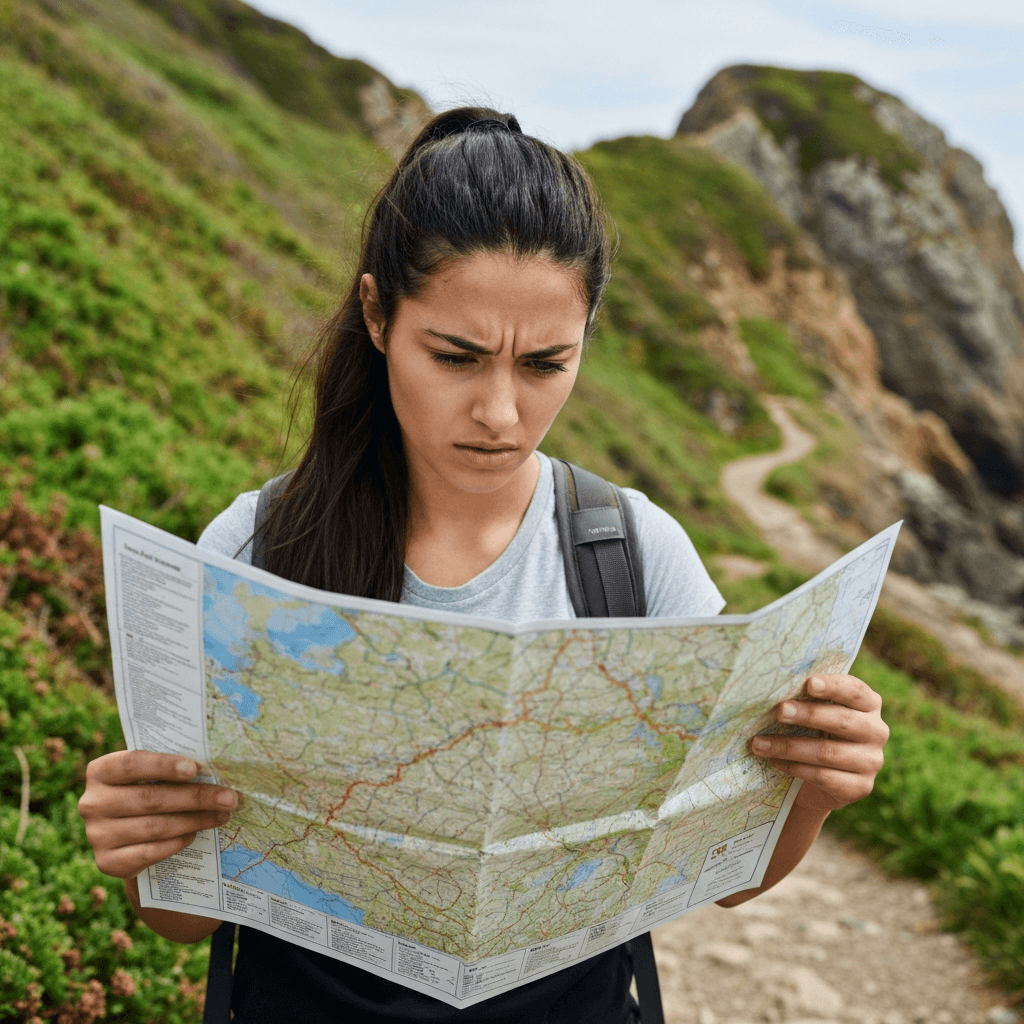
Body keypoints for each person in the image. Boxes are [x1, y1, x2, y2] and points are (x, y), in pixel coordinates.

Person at [78, 107, 890, 1023]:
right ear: (379, 314)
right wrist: (145, 845)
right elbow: (182, 922)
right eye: (456, 357)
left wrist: (811, 798)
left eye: (546, 363)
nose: (500, 412)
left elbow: (722, 882)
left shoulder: (634, 554)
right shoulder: (257, 550)